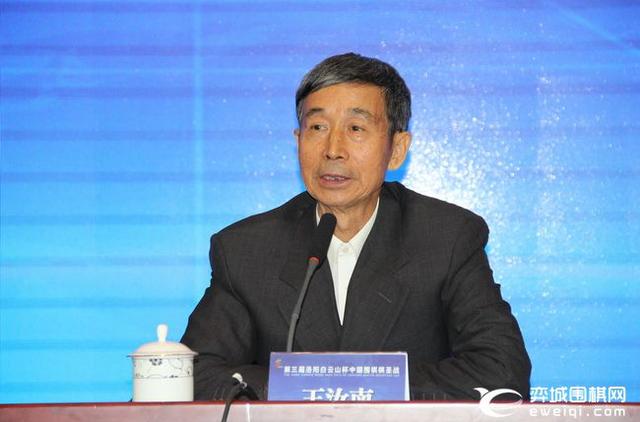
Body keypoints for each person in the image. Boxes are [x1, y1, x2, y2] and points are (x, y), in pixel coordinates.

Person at [181, 52, 531, 401]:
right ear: (297, 140)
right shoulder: (247, 249)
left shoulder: (446, 237)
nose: (333, 150)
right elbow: (194, 375)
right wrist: (298, 389)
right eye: (317, 128)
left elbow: (502, 371)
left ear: (397, 149)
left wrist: (358, 386)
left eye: (356, 129)